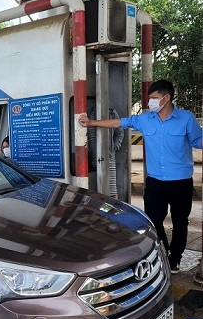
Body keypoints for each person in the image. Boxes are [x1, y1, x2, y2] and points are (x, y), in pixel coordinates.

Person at [79, 79, 202, 274]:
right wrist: (91, 123)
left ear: (166, 97)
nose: (150, 102)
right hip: (155, 182)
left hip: (180, 183)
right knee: (153, 220)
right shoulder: (145, 119)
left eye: (153, 98)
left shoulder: (186, 119)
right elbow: (120, 122)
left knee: (180, 222)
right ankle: (163, 252)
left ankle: (175, 259)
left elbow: (198, 141)